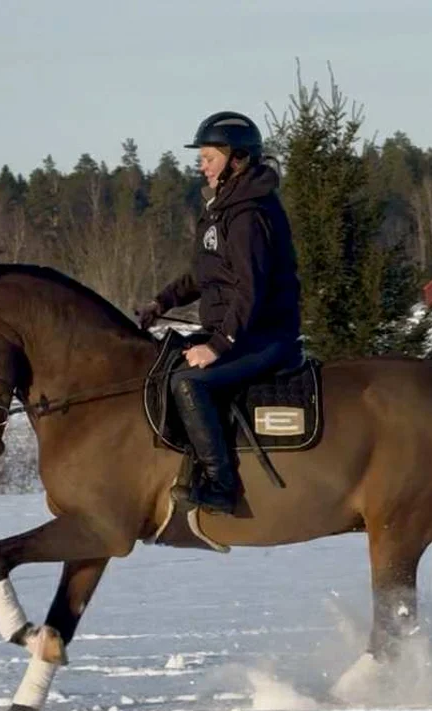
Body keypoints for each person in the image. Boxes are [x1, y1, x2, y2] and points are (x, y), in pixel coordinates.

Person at [136, 111, 302, 516]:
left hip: (264, 337)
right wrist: (161, 303)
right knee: (167, 366)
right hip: (241, 333)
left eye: (209, 157)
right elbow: (205, 273)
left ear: (237, 159)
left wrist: (217, 345)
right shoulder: (222, 209)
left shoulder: (248, 215)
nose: (202, 166)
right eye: (201, 158)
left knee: (188, 383)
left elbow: (250, 290)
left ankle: (220, 485)